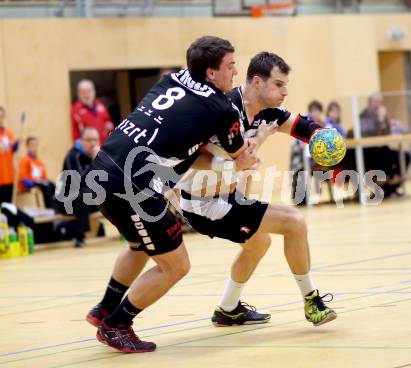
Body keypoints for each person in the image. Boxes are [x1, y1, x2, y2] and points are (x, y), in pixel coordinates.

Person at [85, 36, 251, 353]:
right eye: (230, 66)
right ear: (211, 73)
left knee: (140, 244)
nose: (235, 71)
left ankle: (105, 308)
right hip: (132, 186)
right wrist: (247, 154)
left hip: (102, 167)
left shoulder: (172, 78)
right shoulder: (221, 108)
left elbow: (185, 146)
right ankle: (116, 326)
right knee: (176, 265)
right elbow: (239, 155)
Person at [177, 52, 337, 327]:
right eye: (278, 84)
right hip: (203, 202)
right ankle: (312, 301)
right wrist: (248, 152)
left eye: (286, 85)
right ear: (257, 82)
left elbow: (301, 126)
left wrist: (324, 136)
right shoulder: (221, 110)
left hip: (229, 197)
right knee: (294, 222)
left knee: (259, 244)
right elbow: (190, 158)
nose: (285, 92)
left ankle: (227, 309)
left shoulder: (267, 113)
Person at [57, 127, 100, 247]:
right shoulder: (73, 156)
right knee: (84, 193)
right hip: (66, 201)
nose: (93, 143)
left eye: (95, 140)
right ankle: (79, 237)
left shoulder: (96, 155)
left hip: (85, 200)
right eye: (89, 140)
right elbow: (79, 181)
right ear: (81, 141)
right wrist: (95, 161)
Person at [71, 79, 114, 145]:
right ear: (79, 94)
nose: (87, 95)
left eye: (89, 91)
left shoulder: (100, 105)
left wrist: (109, 125)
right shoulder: (75, 110)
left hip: (105, 146)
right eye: (83, 92)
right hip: (89, 150)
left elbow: (108, 121)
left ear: (94, 91)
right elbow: (76, 135)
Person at [18, 136, 55, 208]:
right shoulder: (24, 160)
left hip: (40, 182)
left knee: (52, 185)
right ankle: (49, 208)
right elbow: (22, 178)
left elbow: (44, 177)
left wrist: (45, 181)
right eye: (32, 145)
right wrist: (32, 185)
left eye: (36, 145)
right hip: (30, 183)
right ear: (27, 146)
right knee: (46, 186)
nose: (34, 147)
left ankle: (55, 207)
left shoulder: (39, 162)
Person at [0, 107, 18, 205]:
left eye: (1, 116)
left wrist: (15, 146)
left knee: (8, 207)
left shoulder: (9, 133)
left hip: (8, 176)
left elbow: (13, 147)